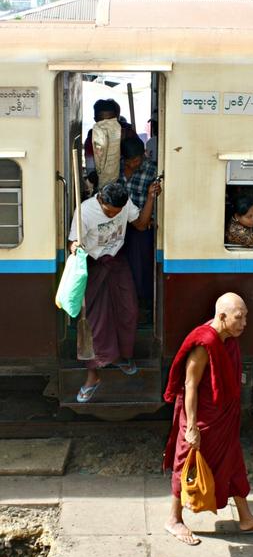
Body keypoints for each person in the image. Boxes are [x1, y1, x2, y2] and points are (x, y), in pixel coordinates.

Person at [163, 292, 253, 546]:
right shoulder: (204, 343)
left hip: (222, 418)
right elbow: (190, 385)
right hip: (201, 418)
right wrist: (191, 427)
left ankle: (246, 518)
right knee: (186, 464)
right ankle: (174, 519)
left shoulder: (227, 337)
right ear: (223, 316)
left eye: (246, 317)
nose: (245, 323)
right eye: (240, 317)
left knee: (233, 462)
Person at [67, 179, 161, 403]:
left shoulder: (124, 203)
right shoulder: (85, 211)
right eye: (110, 212)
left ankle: (123, 357)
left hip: (117, 262)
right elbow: (72, 242)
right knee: (92, 321)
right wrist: (75, 247)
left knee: (128, 311)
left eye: (117, 213)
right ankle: (93, 375)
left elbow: (140, 224)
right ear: (100, 200)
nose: (113, 216)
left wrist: (150, 197)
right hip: (93, 266)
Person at [119, 135, 161, 308]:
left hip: (141, 224)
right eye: (130, 161)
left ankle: (142, 304)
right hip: (119, 224)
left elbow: (156, 200)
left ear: (143, 155)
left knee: (141, 268)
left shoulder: (152, 171)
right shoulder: (115, 168)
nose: (134, 164)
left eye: (137, 160)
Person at [84, 99, 136, 190]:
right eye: (102, 122)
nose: (107, 126)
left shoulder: (128, 133)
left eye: (110, 121)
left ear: (117, 119)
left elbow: (138, 159)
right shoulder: (90, 141)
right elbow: (91, 172)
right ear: (95, 120)